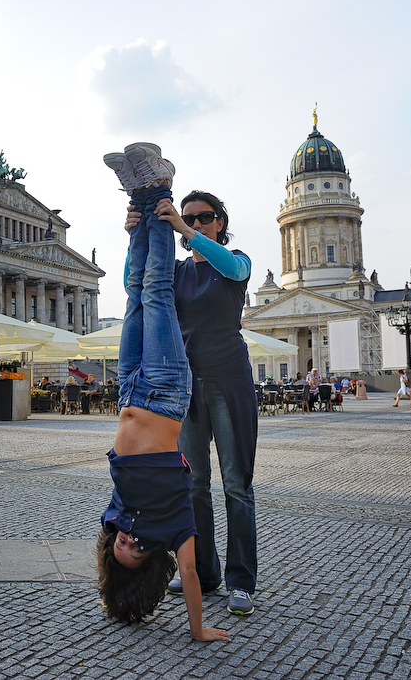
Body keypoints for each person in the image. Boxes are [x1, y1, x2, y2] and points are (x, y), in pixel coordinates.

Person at [97, 143, 229, 642]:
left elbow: (117, 544)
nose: (125, 541)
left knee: (134, 288)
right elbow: (191, 576)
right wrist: (198, 630)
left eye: (117, 548)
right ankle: (160, 186)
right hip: (167, 391)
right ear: (149, 561)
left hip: (129, 388)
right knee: (156, 289)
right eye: (132, 549)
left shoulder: (116, 517)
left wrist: (138, 229)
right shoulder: (175, 530)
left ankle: (140, 197)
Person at [127, 185, 259, 615]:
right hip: (187, 385)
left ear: (219, 222)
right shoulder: (179, 271)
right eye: (189, 217)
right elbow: (144, 284)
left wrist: (185, 229)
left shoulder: (236, 263)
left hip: (229, 381)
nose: (196, 223)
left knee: (237, 486)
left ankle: (242, 579)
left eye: (204, 217)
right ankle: (205, 573)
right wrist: (136, 234)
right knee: (196, 486)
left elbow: (232, 268)